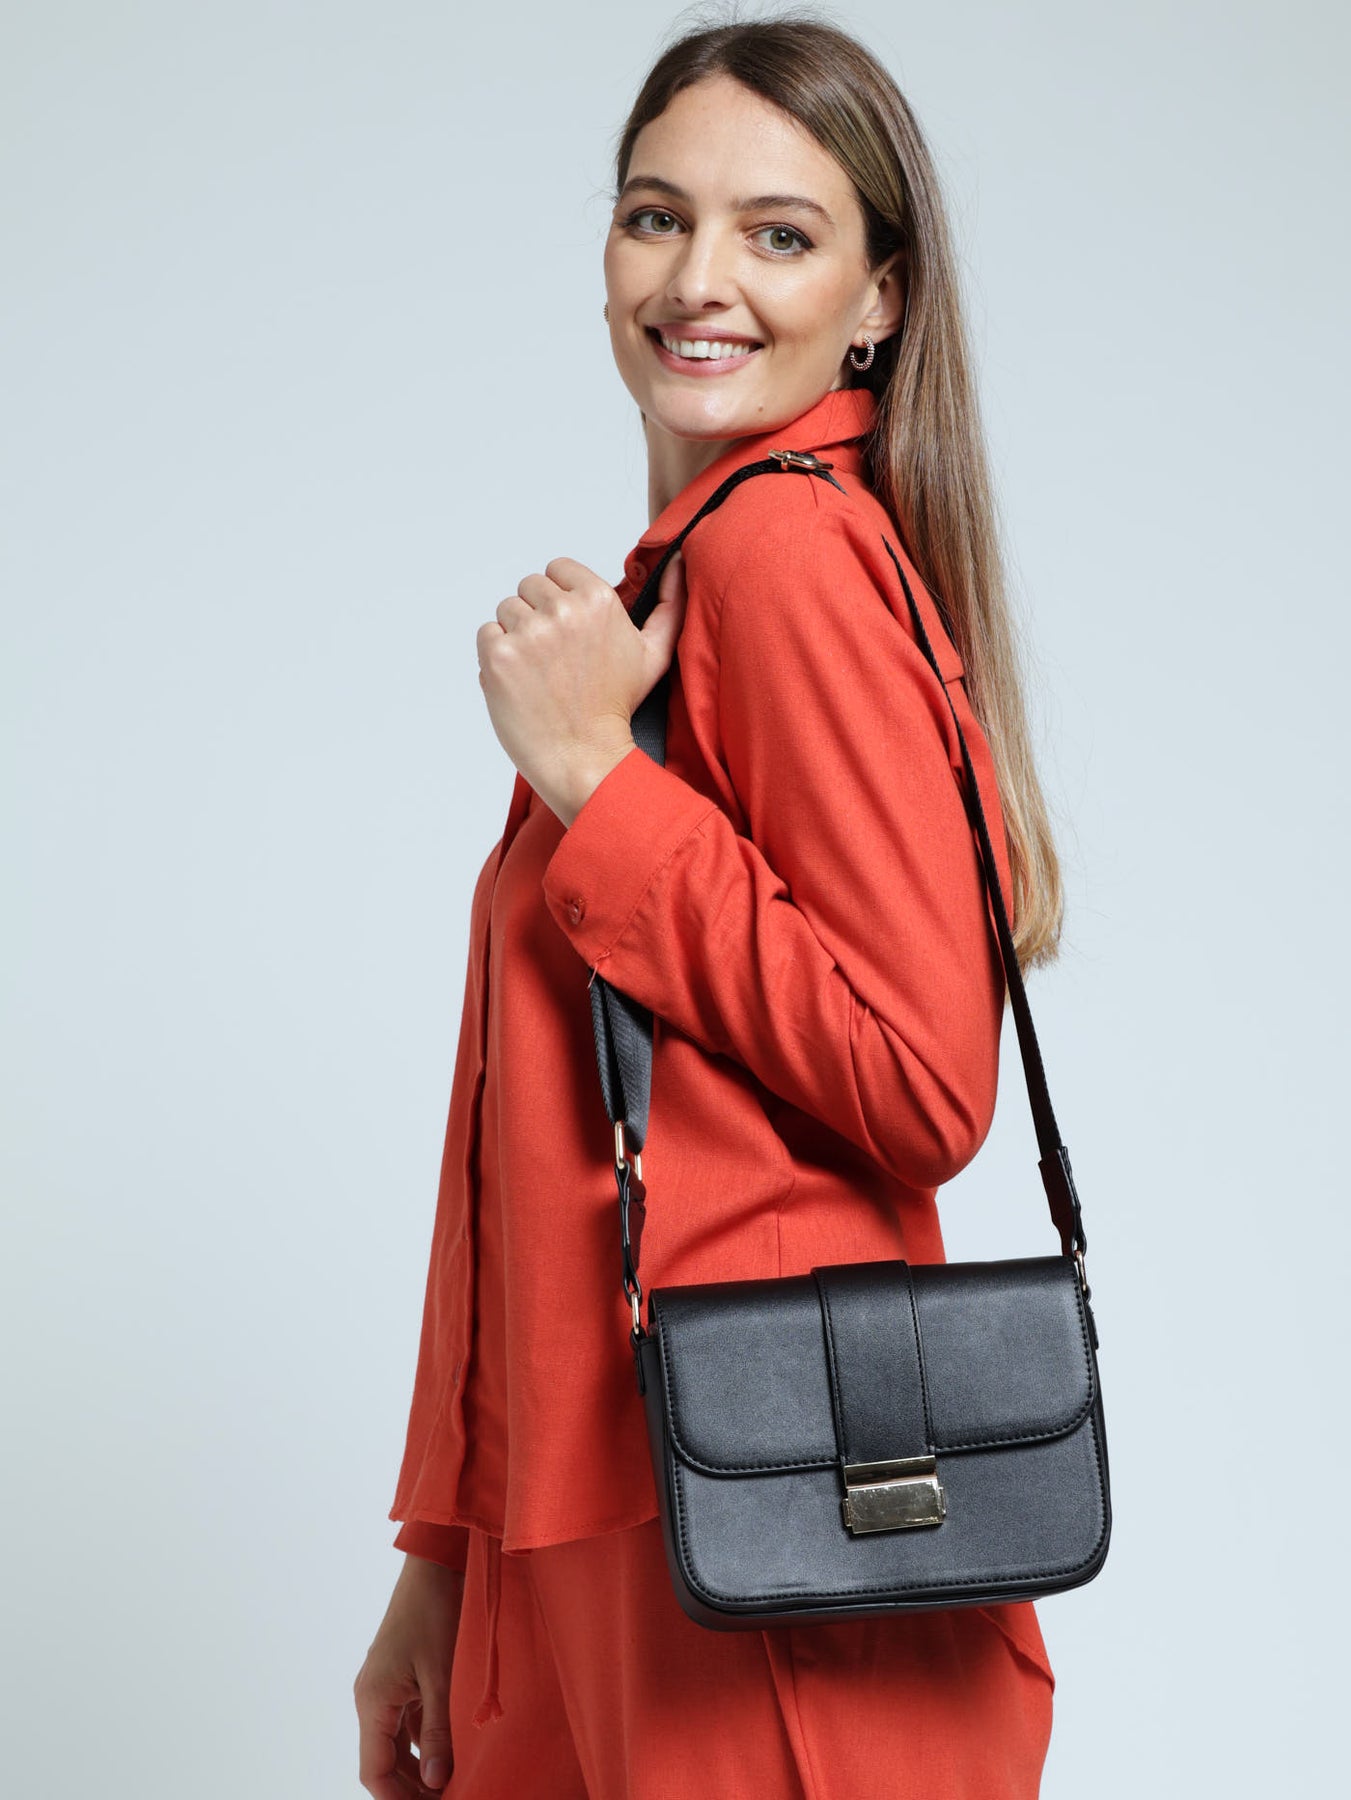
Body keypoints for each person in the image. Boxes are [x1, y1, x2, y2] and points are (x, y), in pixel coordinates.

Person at [354, 13, 1069, 1797]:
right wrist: (446, 1554)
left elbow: (926, 1080)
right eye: (656, 215)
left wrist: (600, 785)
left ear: (878, 297)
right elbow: (534, 1136)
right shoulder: (686, 579)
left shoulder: (784, 552)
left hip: (756, 1513)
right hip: (597, 1511)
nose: (697, 280)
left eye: (779, 233)